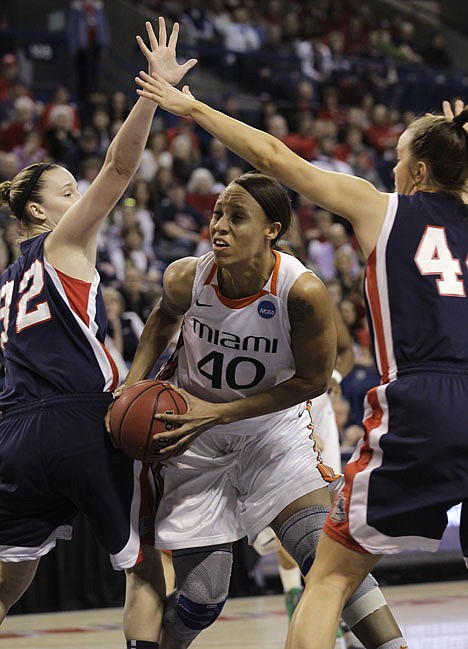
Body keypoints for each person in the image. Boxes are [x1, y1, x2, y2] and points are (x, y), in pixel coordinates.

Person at [135, 69, 468, 649]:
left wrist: (194, 110)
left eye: (397, 160)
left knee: (330, 578)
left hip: (423, 398)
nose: (389, 171)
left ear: (416, 173)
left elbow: (273, 154)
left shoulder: (382, 210)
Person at [114, 169, 405, 649]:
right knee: (202, 598)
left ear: (273, 229)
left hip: (271, 435)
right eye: (217, 214)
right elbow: (161, 322)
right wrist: (131, 387)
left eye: (237, 217)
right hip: (196, 440)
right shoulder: (188, 275)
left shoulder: (302, 292)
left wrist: (223, 412)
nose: (219, 226)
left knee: (327, 558)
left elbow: (312, 381)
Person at [0, 18, 196, 649]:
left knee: (11, 573)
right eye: (66, 190)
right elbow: (117, 168)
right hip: (83, 420)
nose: (78, 194)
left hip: (14, 436)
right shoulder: (61, 240)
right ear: (38, 210)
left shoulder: (4, 284)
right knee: (141, 563)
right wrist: (151, 93)